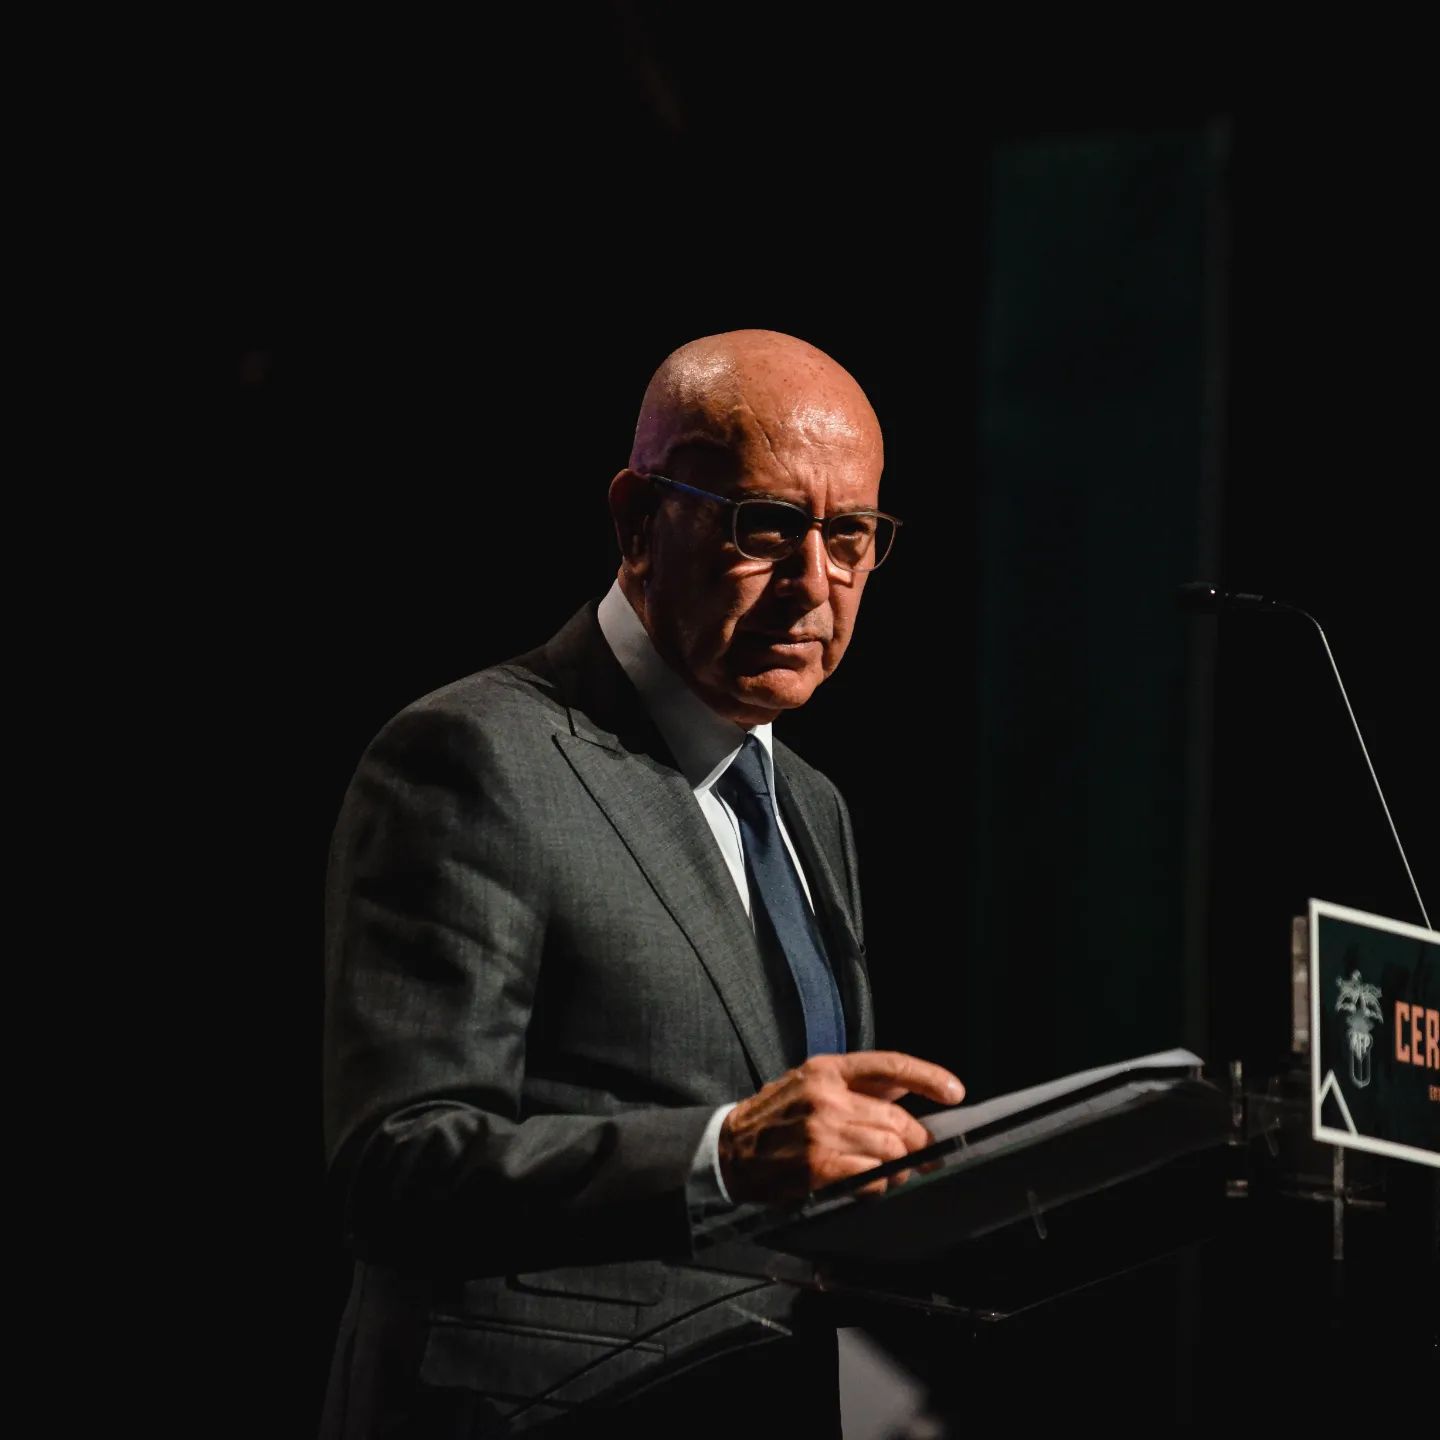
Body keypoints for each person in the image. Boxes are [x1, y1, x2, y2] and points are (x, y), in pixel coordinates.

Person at [320, 329, 965, 1437]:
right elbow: (397, 1168)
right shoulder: (474, 755)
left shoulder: (812, 806)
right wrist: (720, 1157)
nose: (814, 583)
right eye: (767, 525)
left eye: (850, 536)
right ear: (637, 522)